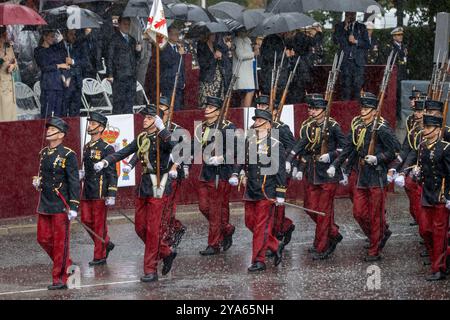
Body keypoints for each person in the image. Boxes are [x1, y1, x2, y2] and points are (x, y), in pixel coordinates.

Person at [94, 105, 177, 282]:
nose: (144, 120)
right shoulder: (141, 137)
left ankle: (150, 269)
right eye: (144, 117)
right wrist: (106, 162)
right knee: (140, 227)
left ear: (156, 120)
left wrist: (163, 129)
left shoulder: (164, 136)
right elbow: (124, 151)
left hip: (159, 182)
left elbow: (176, 148)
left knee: (153, 229)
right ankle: (166, 252)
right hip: (145, 184)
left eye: (148, 117)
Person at [327, 93, 398, 261]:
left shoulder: (382, 128)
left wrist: (378, 158)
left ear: (374, 111)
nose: (362, 111)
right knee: (359, 212)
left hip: (377, 175)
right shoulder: (358, 126)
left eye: (366, 109)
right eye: (362, 108)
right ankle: (379, 234)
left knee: (376, 215)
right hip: (362, 174)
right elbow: (349, 148)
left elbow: (395, 150)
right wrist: (337, 165)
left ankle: (375, 249)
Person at [286, 95, 346, 260]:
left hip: (328, 174)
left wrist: (331, 155)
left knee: (323, 211)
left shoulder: (333, 126)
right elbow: (301, 144)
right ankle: (332, 232)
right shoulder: (311, 126)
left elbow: (345, 147)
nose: (311, 111)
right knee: (310, 206)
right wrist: (290, 161)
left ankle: (322, 246)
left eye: (315, 109)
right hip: (313, 172)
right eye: (310, 108)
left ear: (323, 111)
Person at [229, 108, 286, 272]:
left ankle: (258, 261)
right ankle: (275, 245)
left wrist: (280, 193)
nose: (256, 124)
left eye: (260, 122)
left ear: (269, 125)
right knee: (250, 222)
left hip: (266, 191)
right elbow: (241, 158)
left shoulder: (276, 144)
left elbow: (280, 171)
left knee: (261, 228)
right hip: (251, 189)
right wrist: (235, 172)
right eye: (255, 121)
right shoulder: (249, 141)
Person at [32, 117, 80, 290]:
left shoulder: (68, 154)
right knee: (42, 238)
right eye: (49, 129)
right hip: (45, 203)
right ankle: (67, 263)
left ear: (61, 134)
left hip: (61, 203)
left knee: (60, 243)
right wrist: (39, 182)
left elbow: (74, 182)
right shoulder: (44, 153)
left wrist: (74, 206)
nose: (49, 131)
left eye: (53, 130)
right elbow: (45, 176)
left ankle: (60, 278)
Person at [405, 115, 450, 281]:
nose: (425, 130)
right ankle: (438, 261)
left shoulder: (446, 148)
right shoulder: (422, 146)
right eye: (424, 127)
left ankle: (439, 268)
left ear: (438, 130)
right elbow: (423, 168)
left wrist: (449, 196)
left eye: (428, 127)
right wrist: (416, 173)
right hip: (427, 194)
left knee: (439, 233)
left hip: (441, 196)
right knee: (424, 229)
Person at [193, 96, 236, 256]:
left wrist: (222, 157)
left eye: (210, 108)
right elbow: (195, 145)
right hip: (206, 172)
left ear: (218, 111)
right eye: (206, 107)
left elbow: (235, 149)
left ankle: (214, 244)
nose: (206, 110)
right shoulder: (203, 127)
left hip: (221, 173)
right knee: (204, 207)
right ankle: (226, 228)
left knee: (217, 209)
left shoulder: (227, 127)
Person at [253, 95, 296, 247]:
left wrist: (288, 162)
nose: (260, 108)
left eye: (264, 106)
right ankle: (278, 231)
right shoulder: (257, 126)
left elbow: (293, 146)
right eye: (259, 105)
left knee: (276, 209)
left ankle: (277, 233)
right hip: (262, 175)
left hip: (279, 170)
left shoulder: (281, 128)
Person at [79, 112, 117, 266]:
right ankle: (106, 242)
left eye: (93, 124)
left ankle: (99, 255)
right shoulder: (87, 146)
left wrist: (111, 193)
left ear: (101, 128)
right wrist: (81, 173)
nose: (90, 126)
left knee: (99, 223)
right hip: (87, 189)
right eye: (90, 123)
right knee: (86, 220)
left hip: (100, 190)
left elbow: (112, 172)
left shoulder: (107, 148)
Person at [106, 17, 142, 114]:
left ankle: (128, 124)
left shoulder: (132, 39)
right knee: (118, 103)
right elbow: (109, 57)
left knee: (129, 103)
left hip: (131, 76)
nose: (126, 26)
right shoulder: (114, 38)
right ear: (119, 25)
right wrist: (110, 74)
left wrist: (138, 51)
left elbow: (136, 58)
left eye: (128, 24)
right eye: (124, 24)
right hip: (119, 75)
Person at [333, 12, 370, 101]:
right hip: (345, 62)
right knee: (346, 88)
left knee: (357, 87)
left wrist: (356, 41)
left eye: (353, 14)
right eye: (349, 14)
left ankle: (356, 109)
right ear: (346, 14)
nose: (351, 16)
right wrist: (344, 29)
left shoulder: (361, 27)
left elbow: (367, 44)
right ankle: (346, 110)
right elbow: (335, 40)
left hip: (357, 63)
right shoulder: (339, 26)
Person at [34, 29, 70, 118]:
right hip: (48, 84)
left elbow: (63, 55)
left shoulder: (54, 49)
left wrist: (61, 41)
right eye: (51, 36)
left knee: (59, 111)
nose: (53, 38)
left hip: (58, 82)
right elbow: (44, 67)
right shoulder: (38, 50)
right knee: (47, 111)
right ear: (44, 37)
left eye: (54, 36)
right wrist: (59, 65)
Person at [61, 29, 88, 117]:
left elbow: (85, 61)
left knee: (75, 109)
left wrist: (73, 61)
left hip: (77, 82)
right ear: (65, 35)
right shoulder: (59, 47)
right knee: (64, 109)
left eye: (74, 34)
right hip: (65, 82)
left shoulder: (79, 46)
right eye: (71, 34)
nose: (74, 36)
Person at [160, 26, 185, 111]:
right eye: (175, 34)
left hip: (178, 82)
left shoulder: (178, 47)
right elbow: (167, 62)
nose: (177, 36)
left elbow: (181, 66)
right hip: (168, 82)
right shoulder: (164, 47)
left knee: (177, 107)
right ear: (169, 35)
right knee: (169, 106)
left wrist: (183, 79)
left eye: (178, 34)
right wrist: (178, 54)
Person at [387, 27, 408, 120]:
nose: (401, 37)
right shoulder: (391, 47)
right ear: (394, 37)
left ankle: (400, 115)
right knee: (396, 96)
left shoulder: (404, 47)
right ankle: (396, 116)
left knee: (402, 96)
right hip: (395, 76)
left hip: (403, 75)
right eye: (398, 35)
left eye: (401, 35)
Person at [197, 33, 224, 106]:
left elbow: (222, 62)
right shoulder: (201, 46)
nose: (214, 36)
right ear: (207, 35)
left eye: (215, 35)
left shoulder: (216, 46)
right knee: (206, 102)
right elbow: (203, 64)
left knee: (216, 102)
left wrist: (220, 58)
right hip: (207, 79)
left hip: (218, 79)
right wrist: (214, 57)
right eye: (212, 34)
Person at [233, 30, 256, 108]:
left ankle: (243, 112)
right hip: (242, 72)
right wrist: (253, 54)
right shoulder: (236, 40)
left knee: (246, 94)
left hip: (248, 71)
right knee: (249, 91)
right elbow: (240, 55)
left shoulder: (247, 40)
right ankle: (246, 110)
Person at [0, 26, 17, 122]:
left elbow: (15, 63)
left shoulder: (9, 47)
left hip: (10, 86)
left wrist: (13, 66)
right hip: (1, 85)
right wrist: (1, 60)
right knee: (3, 115)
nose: (7, 35)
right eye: (4, 34)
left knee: (11, 116)